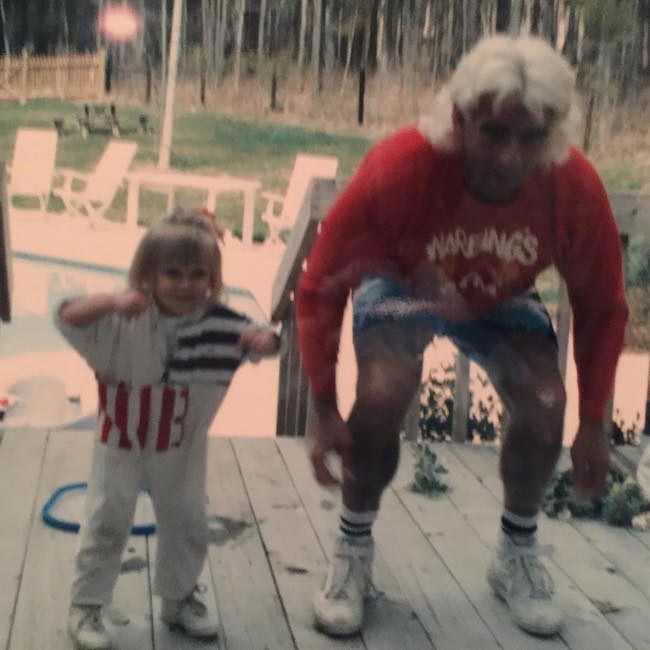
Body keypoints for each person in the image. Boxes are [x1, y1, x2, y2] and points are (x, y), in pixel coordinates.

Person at [295, 35, 629, 638]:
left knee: (547, 402)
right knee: (379, 396)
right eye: (494, 133)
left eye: (530, 138)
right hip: (401, 287)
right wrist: (322, 405)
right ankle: (352, 550)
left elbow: (602, 306)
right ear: (459, 119)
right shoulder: (400, 169)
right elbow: (319, 285)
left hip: (501, 297)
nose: (509, 157)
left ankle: (516, 555)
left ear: (552, 133)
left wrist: (596, 421)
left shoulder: (571, 187)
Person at [57, 208, 280, 650]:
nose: (185, 283)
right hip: (119, 440)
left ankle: (178, 599)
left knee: (187, 520)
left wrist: (266, 342)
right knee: (107, 518)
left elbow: (268, 340)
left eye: (197, 274)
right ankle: (86, 605)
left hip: (181, 447)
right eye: (172, 272)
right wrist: (112, 301)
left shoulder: (220, 324)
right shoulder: (122, 319)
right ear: (148, 274)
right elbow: (67, 316)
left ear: (213, 278)